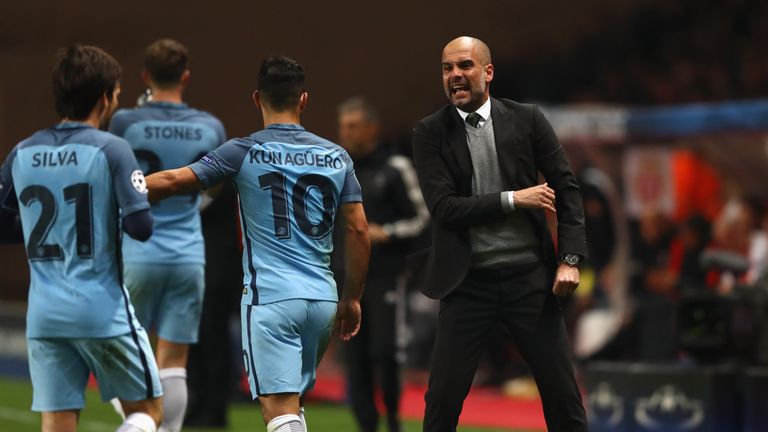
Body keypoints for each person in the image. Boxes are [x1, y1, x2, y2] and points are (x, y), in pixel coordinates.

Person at [142, 55, 370, 432]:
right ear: (304, 100)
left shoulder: (241, 151)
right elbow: (359, 231)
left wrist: (119, 188)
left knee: (278, 411)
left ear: (256, 98)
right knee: (291, 407)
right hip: (322, 301)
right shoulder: (337, 156)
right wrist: (352, 298)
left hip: (272, 300)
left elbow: (173, 182)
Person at [411, 36, 588, 431]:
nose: (455, 75)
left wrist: (570, 259)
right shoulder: (429, 132)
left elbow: (567, 187)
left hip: (530, 278)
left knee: (564, 398)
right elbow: (444, 209)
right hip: (467, 282)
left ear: (488, 72)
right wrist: (513, 199)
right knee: (440, 403)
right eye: (447, 68)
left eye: (465, 66)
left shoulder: (528, 119)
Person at [0, 44, 163, 432]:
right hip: (99, 308)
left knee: (58, 422)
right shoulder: (112, 149)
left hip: (44, 313)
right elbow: (141, 228)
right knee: (149, 412)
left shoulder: (22, 152)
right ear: (105, 97)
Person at [107, 38, 225, 432]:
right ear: (186, 77)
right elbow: (214, 188)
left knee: (127, 354)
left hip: (137, 250)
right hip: (188, 253)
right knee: (174, 362)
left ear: (145, 76)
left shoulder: (125, 122)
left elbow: (113, 179)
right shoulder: (210, 126)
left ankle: (140, 424)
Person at [337, 97, 429, 432]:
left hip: (386, 276)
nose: (345, 133)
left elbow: (422, 218)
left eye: (353, 126)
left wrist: (385, 233)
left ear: (372, 128)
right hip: (346, 278)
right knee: (355, 357)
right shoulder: (337, 170)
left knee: (386, 351)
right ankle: (366, 425)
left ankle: (392, 418)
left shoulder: (396, 167)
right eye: (343, 126)